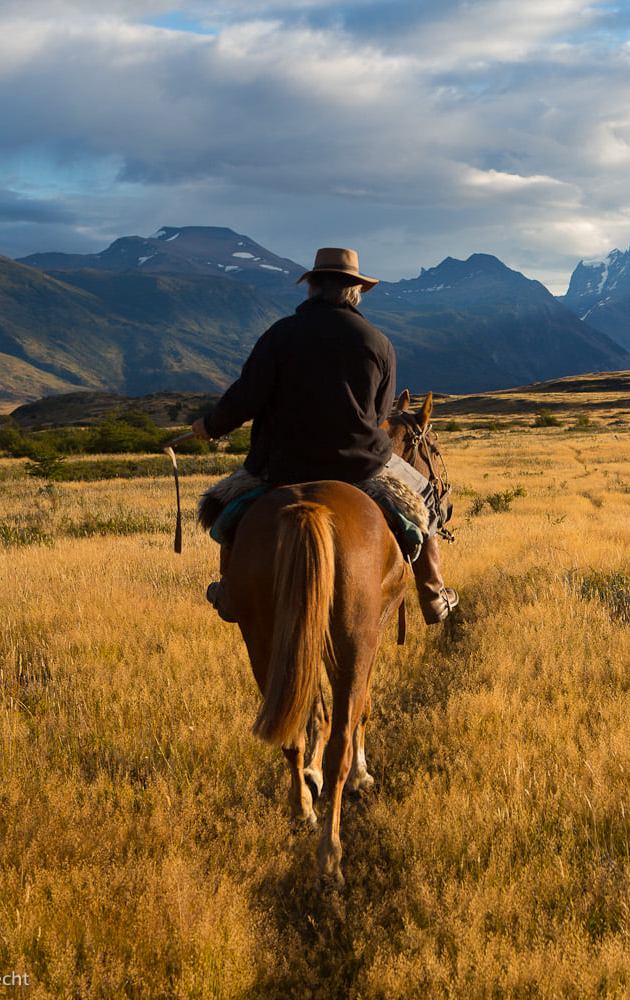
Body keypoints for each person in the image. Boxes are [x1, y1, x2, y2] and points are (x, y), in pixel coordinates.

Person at [192, 247, 458, 624]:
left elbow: (245, 398)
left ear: (313, 287)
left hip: (279, 466)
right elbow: (381, 415)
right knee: (425, 498)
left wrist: (209, 426)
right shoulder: (378, 342)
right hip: (361, 468)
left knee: (223, 506)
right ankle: (432, 595)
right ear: (356, 291)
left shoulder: (279, 335)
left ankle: (231, 590)